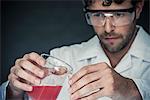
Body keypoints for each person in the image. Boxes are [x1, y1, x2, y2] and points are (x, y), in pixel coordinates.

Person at [0, 0, 150, 99]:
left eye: (118, 14)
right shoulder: (61, 58)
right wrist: (14, 91)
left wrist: (132, 89)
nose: (108, 28)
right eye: (97, 15)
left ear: (138, 9)